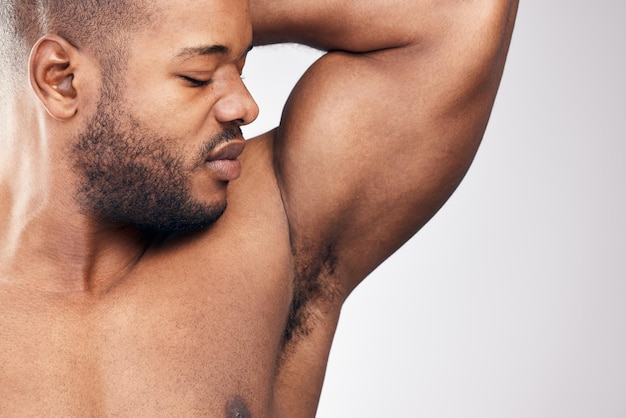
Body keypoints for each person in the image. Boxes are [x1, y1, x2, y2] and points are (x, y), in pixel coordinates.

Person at [0, 0, 517, 416]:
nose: (244, 106)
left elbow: (463, 10)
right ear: (61, 79)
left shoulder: (276, 221)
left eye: (241, 66)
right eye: (198, 76)